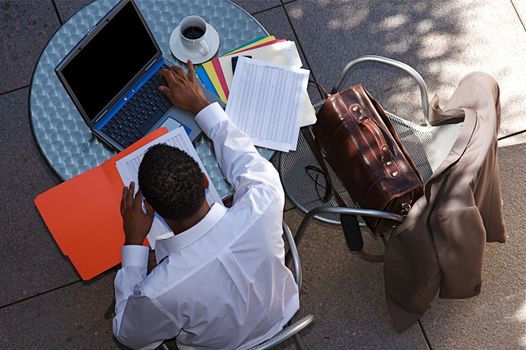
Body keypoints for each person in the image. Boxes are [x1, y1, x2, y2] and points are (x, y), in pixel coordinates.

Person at [112, 60, 299, 350]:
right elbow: (243, 157)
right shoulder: (265, 197)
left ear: (151, 209)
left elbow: (128, 335)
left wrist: (135, 242)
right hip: (282, 311)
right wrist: (200, 104)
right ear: (203, 180)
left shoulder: (159, 291)